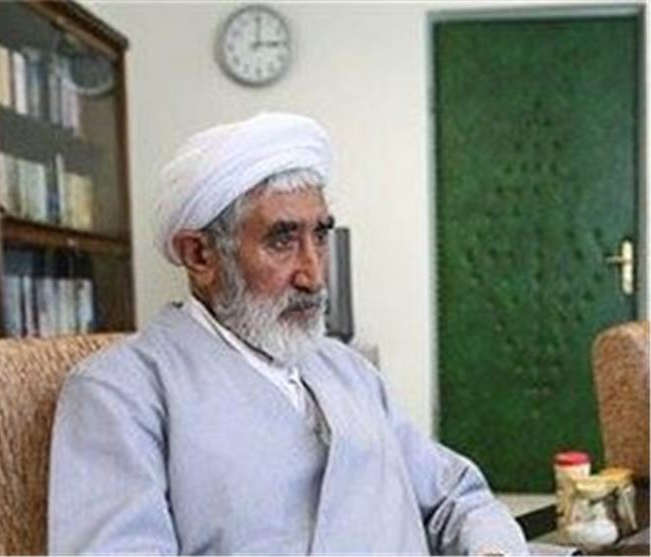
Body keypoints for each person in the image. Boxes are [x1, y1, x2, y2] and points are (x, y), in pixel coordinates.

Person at [48, 112, 529, 555]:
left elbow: (456, 496)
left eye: (319, 235)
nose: (314, 275)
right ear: (200, 256)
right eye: (282, 240)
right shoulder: (120, 391)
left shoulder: (348, 369)